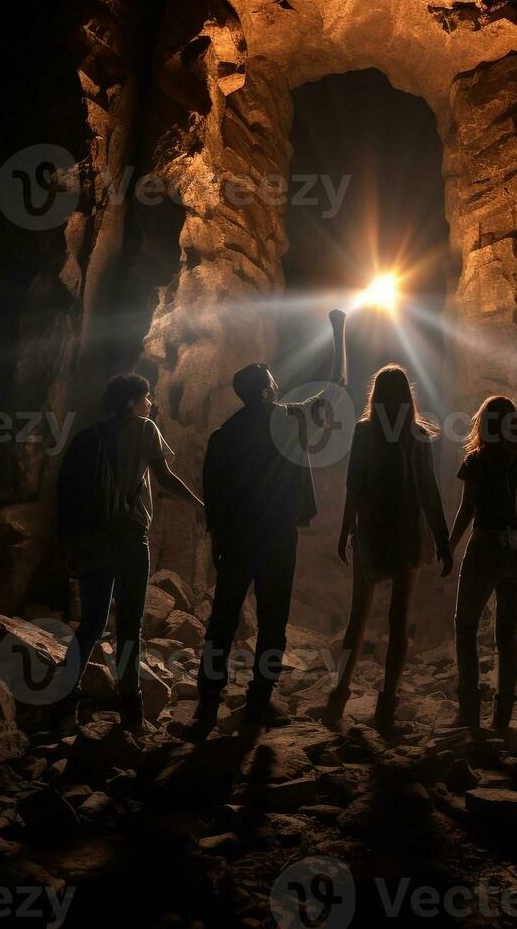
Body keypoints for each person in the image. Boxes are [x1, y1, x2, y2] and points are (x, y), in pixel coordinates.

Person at [188, 309, 348, 738]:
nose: (278, 385)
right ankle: (259, 702)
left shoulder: (224, 436)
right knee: (273, 620)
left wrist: (217, 540)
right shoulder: (288, 418)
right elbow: (336, 389)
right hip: (277, 535)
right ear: (264, 393)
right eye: (273, 382)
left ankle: (207, 703)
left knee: (222, 619)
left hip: (237, 538)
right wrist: (338, 329)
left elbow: (213, 494)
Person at [56, 373, 204, 731]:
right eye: (146, 396)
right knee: (129, 627)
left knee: (90, 623)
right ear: (131, 402)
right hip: (127, 537)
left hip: (93, 539)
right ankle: (131, 714)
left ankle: (63, 706)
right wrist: (203, 506)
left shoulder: (89, 437)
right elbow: (165, 479)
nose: (150, 404)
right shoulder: (144, 428)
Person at [322, 364, 453, 734]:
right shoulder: (418, 435)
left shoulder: (365, 432)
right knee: (399, 622)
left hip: (372, 532)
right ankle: (386, 706)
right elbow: (430, 492)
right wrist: (442, 540)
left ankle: (338, 699)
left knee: (356, 619)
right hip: (408, 533)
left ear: (375, 395)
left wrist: (346, 530)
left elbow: (354, 487)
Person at [448, 395, 517, 732]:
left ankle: (468, 711)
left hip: (486, 544)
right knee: (507, 634)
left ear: (483, 424)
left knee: (466, 625)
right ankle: (502, 717)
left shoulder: (476, 460)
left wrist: (448, 547)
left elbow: (467, 510)